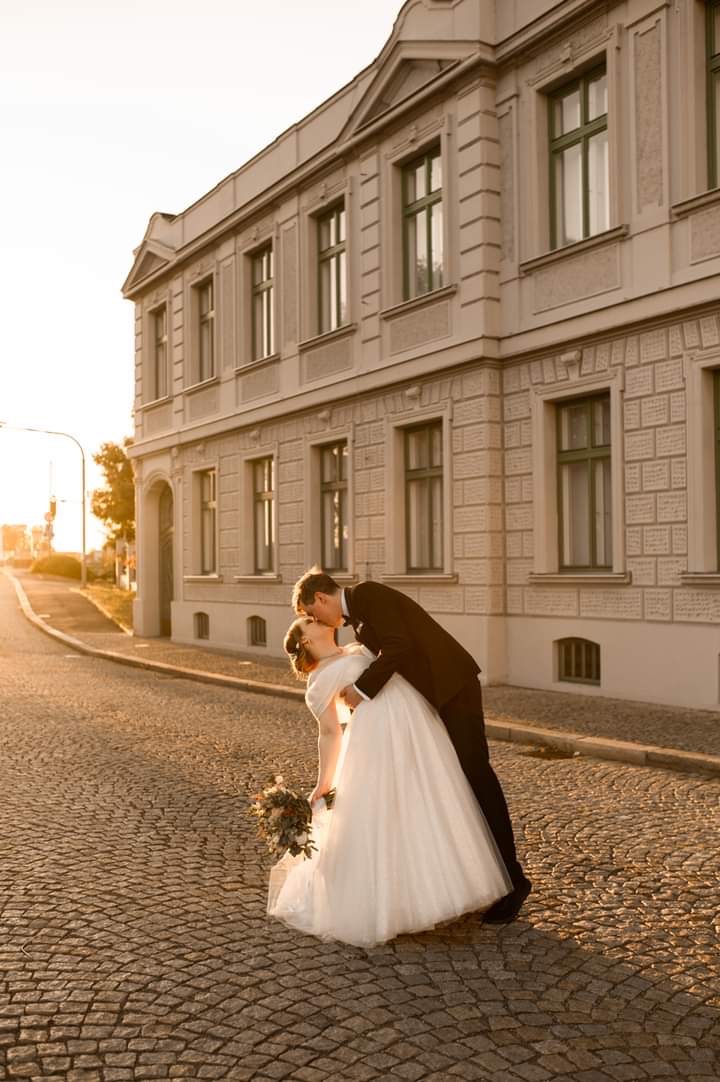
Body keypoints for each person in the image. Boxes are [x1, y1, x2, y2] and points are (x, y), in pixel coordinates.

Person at [293, 568, 532, 924]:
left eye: (313, 613)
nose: (318, 620)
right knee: (456, 783)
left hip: (454, 690)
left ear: (322, 598)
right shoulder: (357, 617)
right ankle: (484, 874)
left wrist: (360, 690)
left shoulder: (368, 594)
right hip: (436, 699)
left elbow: (399, 645)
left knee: (477, 776)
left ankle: (514, 881)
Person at [266, 616, 512, 948]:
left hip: (416, 727)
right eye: (307, 622)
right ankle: (395, 905)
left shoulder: (354, 647)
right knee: (387, 814)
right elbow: (329, 733)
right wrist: (323, 783)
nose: (315, 619)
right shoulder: (319, 679)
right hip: (378, 739)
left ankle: (442, 887)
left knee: (426, 803)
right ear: (306, 641)